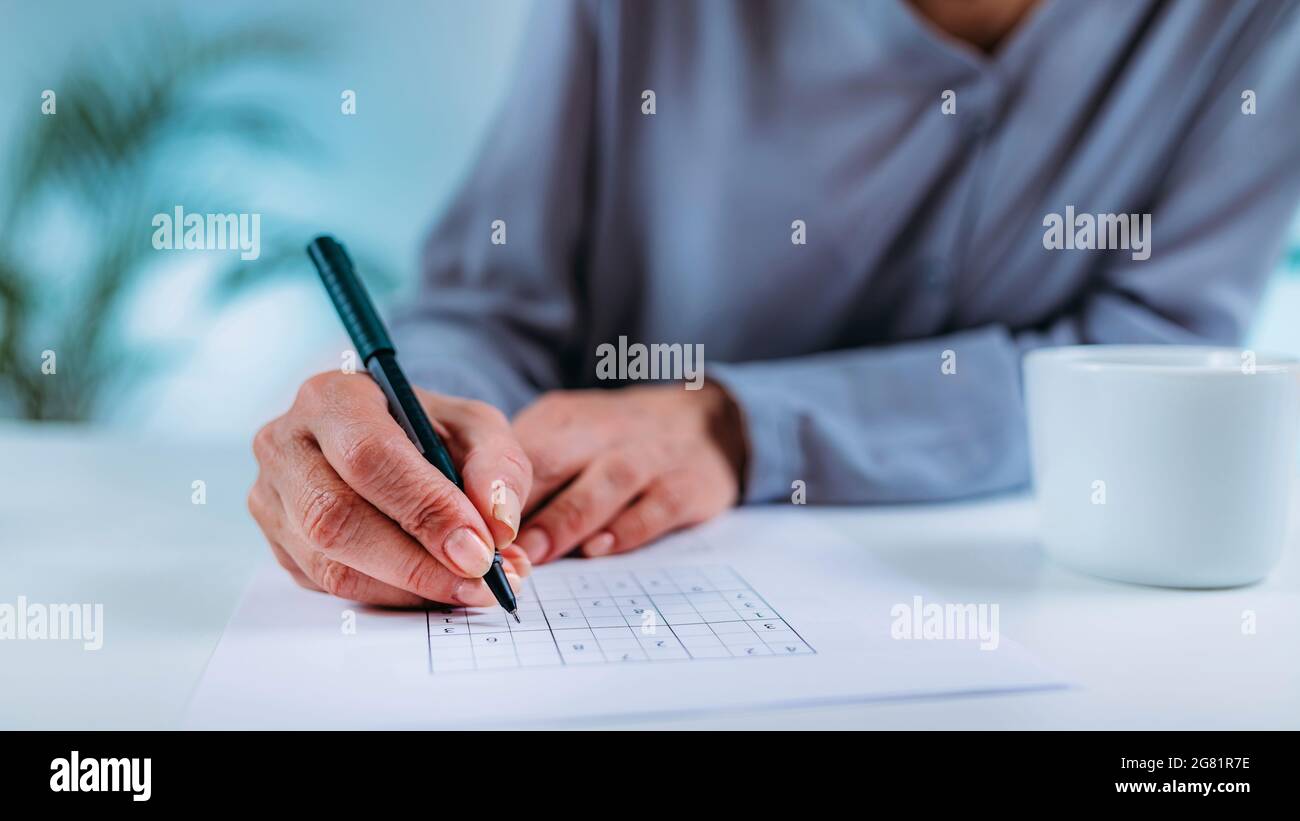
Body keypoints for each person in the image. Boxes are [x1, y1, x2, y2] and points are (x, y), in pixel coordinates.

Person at [248, 0, 1300, 605]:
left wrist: (736, 424)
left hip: (1049, 602)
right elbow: (492, 301)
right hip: (615, 582)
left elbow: (1158, 352)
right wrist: (422, 416)